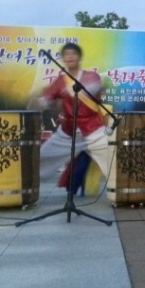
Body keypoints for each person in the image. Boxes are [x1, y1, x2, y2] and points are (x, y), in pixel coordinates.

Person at [38, 43, 111, 183]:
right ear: (63, 59)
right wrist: (40, 101)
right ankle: (27, 186)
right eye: (67, 54)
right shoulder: (60, 81)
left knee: (113, 160)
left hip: (93, 129)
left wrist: (73, 90)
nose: (70, 57)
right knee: (42, 158)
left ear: (79, 57)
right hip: (68, 132)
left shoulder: (91, 76)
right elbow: (47, 99)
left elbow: (94, 87)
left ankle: (124, 190)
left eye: (73, 54)